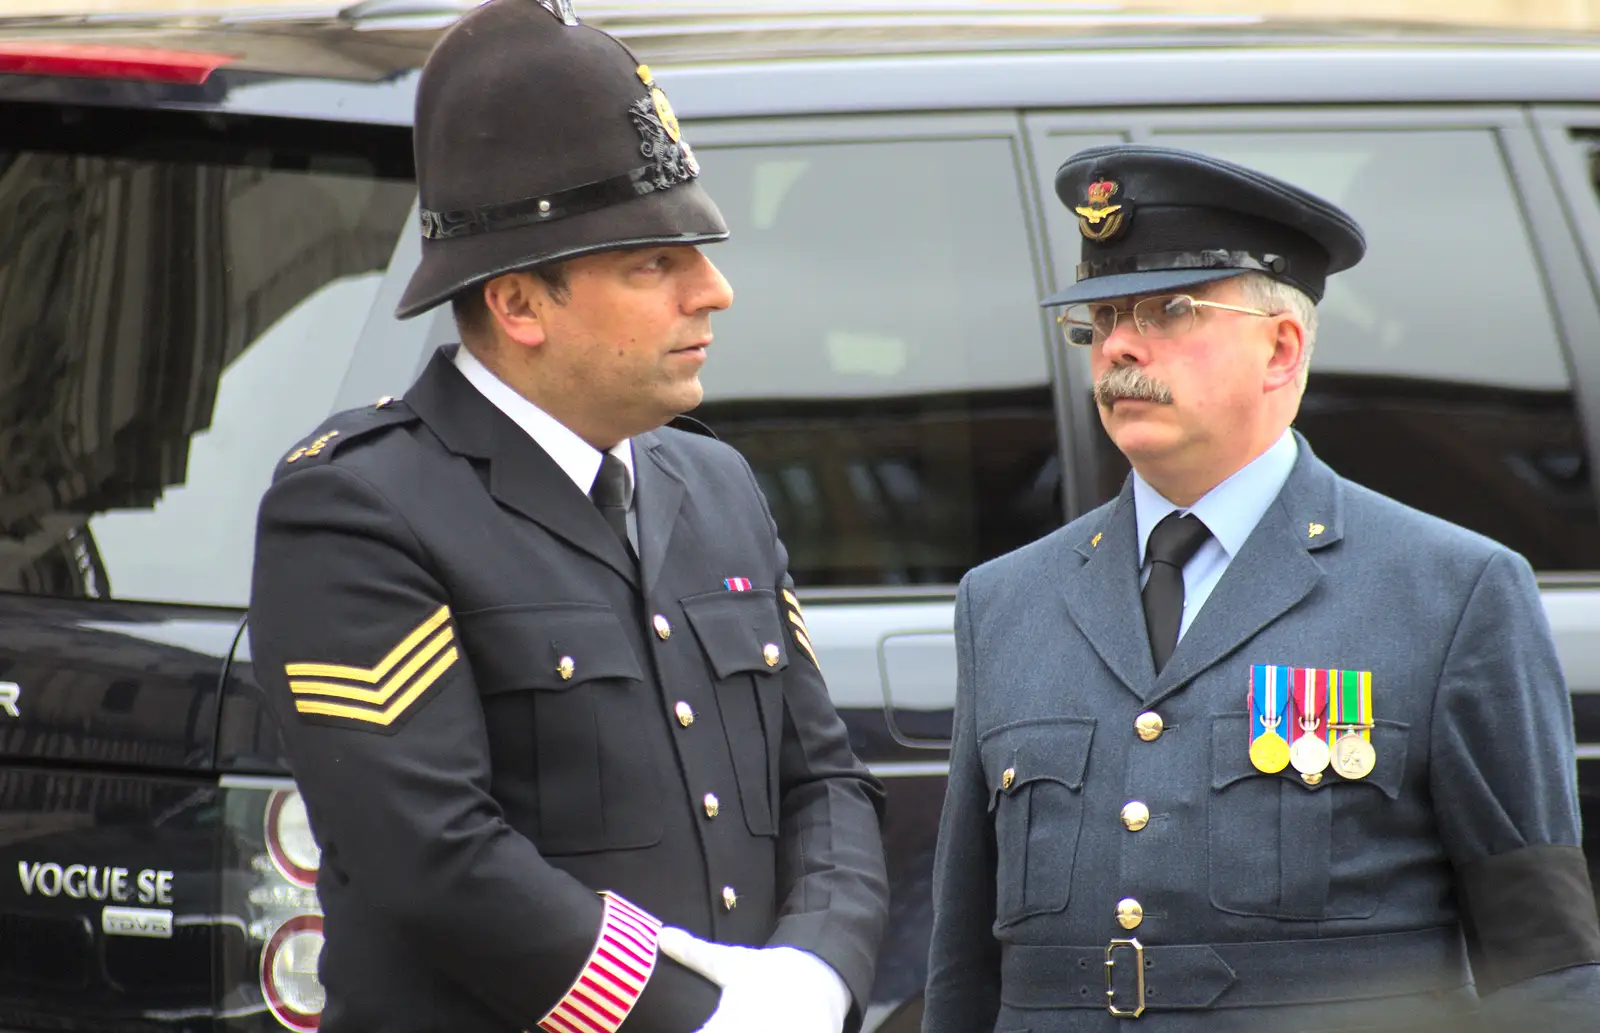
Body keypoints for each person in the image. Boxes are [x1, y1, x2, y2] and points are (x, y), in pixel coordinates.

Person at [246, 3, 889, 1033]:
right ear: (519, 306)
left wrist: (810, 980)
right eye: (653, 262)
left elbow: (826, 784)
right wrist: (697, 1016)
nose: (712, 290)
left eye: (700, 252)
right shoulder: (360, 507)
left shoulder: (712, 484)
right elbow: (433, 851)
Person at [922, 143, 1600, 1033]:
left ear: (1282, 348)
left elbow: (1544, 963)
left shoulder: (1450, 592)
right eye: (1102, 315)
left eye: (1169, 309)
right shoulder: (1003, 602)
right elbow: (964, 971)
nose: (1120, 343)